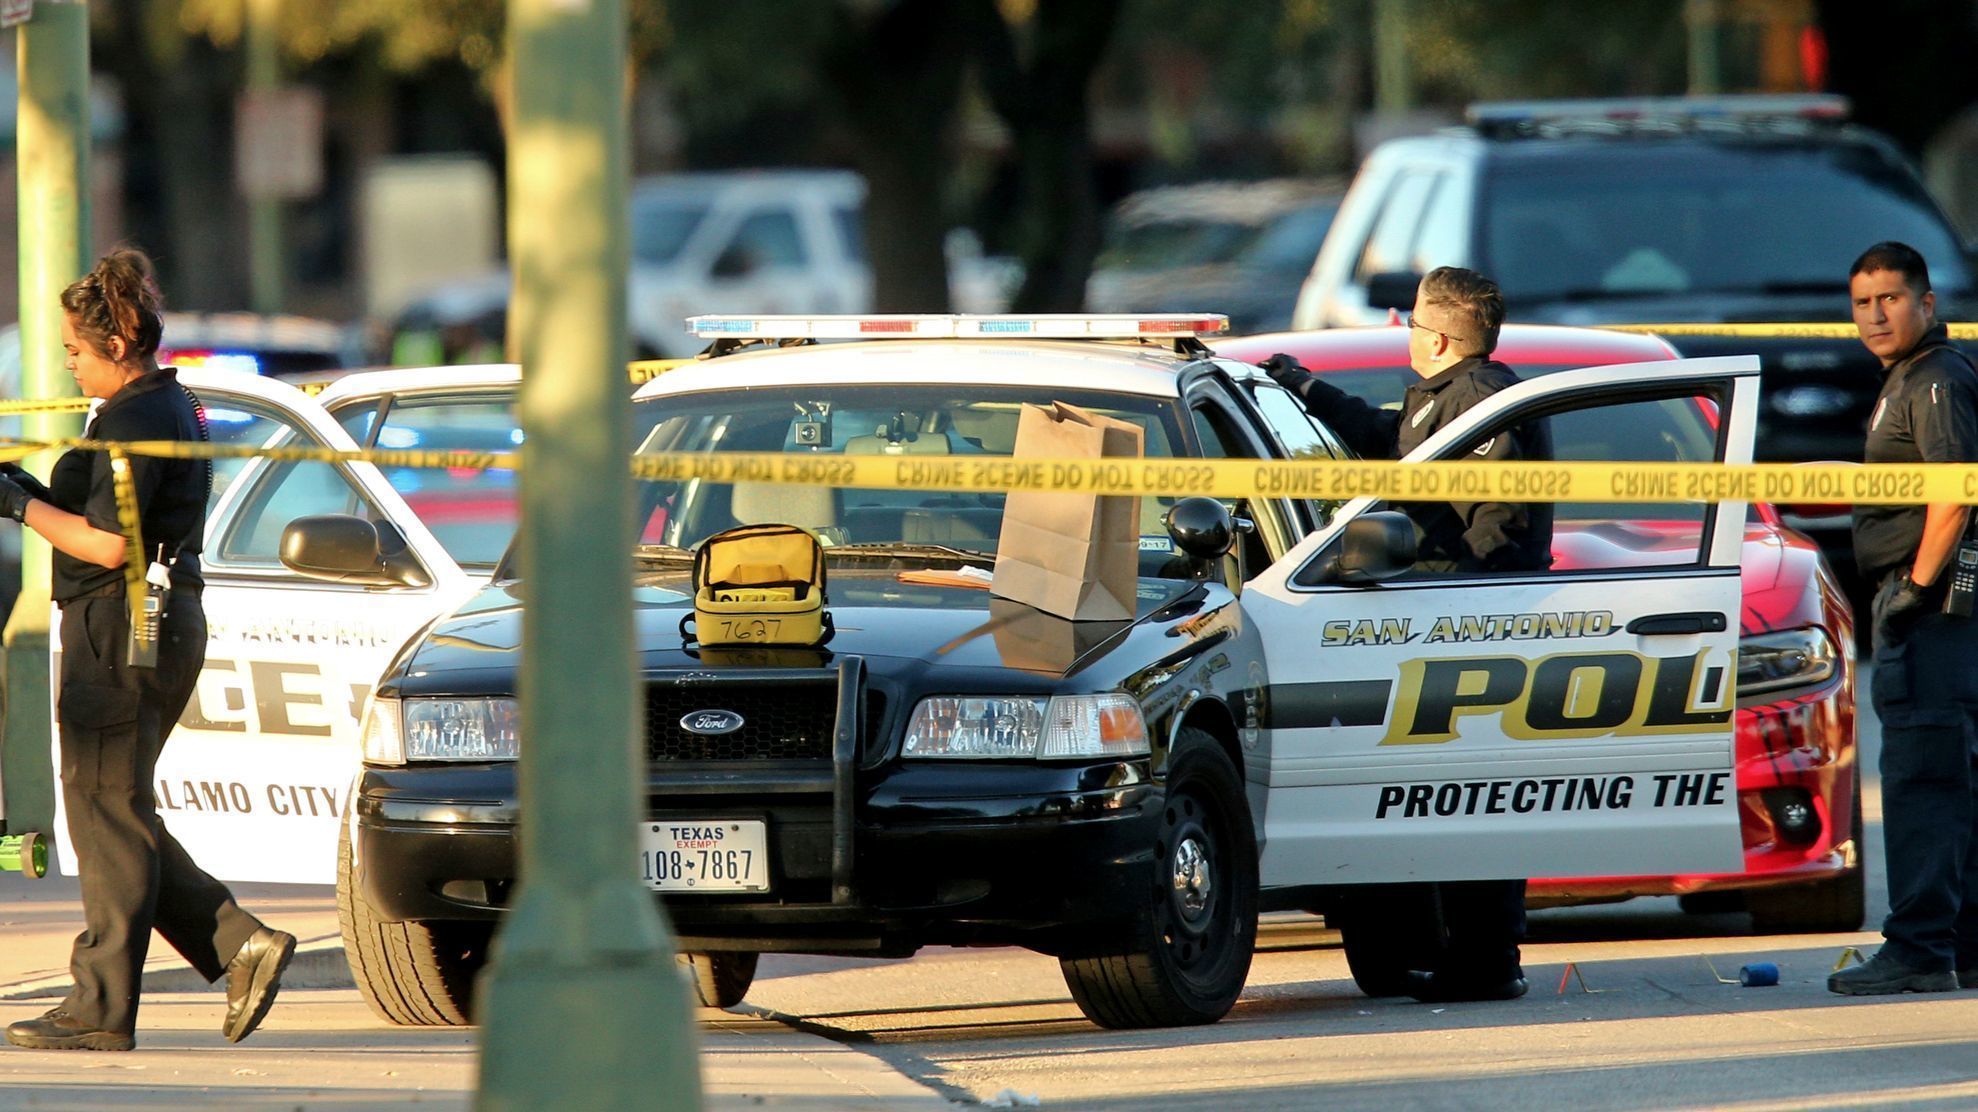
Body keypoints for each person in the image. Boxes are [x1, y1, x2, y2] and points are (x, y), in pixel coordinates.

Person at [0, 249, 295, 1052]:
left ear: (117, 344)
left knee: (105, 807)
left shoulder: (134, 419)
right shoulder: (165, 404)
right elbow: (103, 518)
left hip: (121, 625)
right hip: (153, 621)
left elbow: (106, 544)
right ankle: (238, 943)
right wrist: (25, 488)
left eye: (75, 349)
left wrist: (15, 507)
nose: (68, 363)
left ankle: (99, 1007)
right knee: (116, 807)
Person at [1259, 265, 1549, 1003]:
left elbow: (1500, 530)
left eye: (1414, 321)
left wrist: (1458, 613)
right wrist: (1308, 388)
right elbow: (1393, 444)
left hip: (1471, 631)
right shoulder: (1445, 397)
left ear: (1441, 337)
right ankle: (1453, 955)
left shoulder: (1481, 401)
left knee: (1474, 803)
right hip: (1437, 625)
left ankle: (1488, 962)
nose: (1406, 331)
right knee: (1443, 802)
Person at [1828, 241, 1978, 996]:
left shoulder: (1935, 380)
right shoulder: (1914, 377)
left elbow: (1955, 492)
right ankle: (1962, 944)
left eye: (1890, 298)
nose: (1876, 315)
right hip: (1942, 609)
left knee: (1923, 781)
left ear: (1927, 303)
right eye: (1863, 302)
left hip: (1933, 609)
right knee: (1953, 777)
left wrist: (1916, 589)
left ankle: (1918, 950)